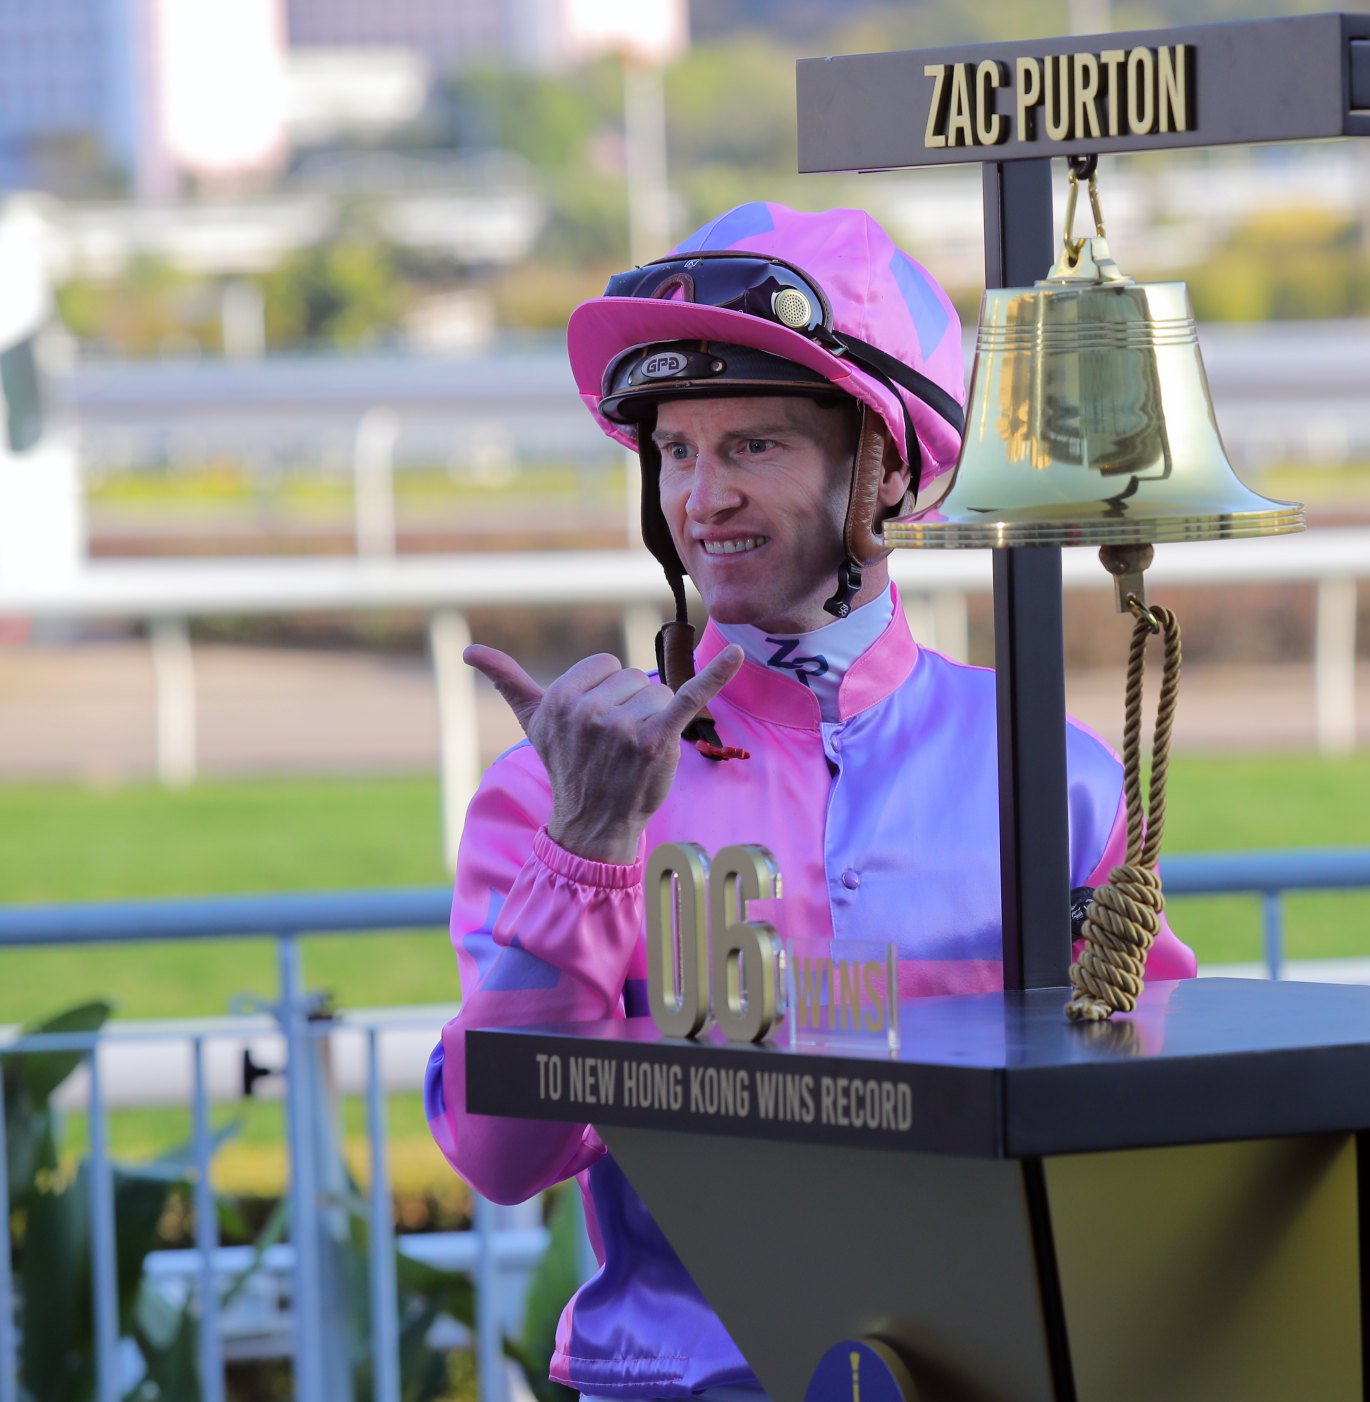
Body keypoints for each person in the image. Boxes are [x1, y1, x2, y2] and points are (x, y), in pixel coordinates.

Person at [424, 202, 1196, 1400]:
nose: (701, 497)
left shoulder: (1057, 766)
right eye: (677, 451)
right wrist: (587, 848)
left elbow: (1164, 1115)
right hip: (677, 1379)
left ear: (886, 468)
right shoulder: (560, 782)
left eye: (754, 445)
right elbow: (500, 1152)